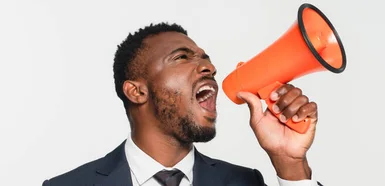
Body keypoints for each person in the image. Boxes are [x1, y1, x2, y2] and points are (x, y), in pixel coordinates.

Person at [42, 22, 324, 186]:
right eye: (181, 57)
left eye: (205, 58)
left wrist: (290, 164)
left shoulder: (244, 183)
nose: (210, 67)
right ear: (137, 91)